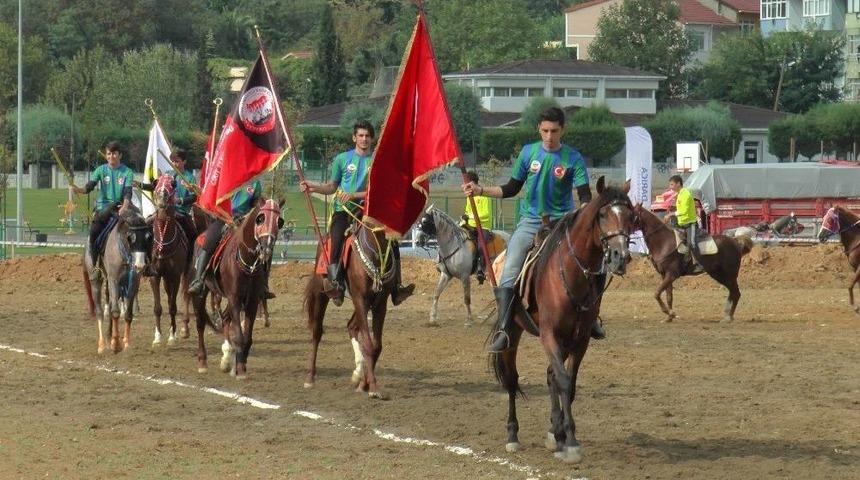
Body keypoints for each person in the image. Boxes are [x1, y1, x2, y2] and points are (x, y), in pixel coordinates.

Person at [462, 107, 599, 353]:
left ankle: (593, 318)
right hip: (531, 222)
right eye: (545, 131)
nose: (549, 136)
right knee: (511, 265)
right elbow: (511, 188)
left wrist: (586, 215)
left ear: (563, 130)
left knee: (595, 262)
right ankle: (504, 328)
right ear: (539, 129)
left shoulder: (573, 158)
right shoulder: (528, 153)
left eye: (554, 131)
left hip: (564, 222)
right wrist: (479, 190)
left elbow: (585, 196)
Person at [300, 120, 414, 307]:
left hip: (368, 212)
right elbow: (331, 187)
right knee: (336, 240)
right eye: (360, 135)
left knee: (391, 240)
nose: (364, 139)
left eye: (367, 136)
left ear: (372, 139)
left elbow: (378, 191)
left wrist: (353, 195)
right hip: (342, 212)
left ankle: (397, 288)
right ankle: (336, 283)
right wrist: (312, 187)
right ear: (354, 138)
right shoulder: (341, 159)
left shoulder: (377, 162)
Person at [187, 179, 275, 299]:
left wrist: (258, 206)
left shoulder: (255, 182)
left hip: (247, 221)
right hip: (224, 219)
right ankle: (198, 280)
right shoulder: (227, 175)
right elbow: (213, 196)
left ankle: (263, 285)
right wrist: (200, 191)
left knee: (266, 244)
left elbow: (255, 201)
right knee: (209, 241)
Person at [72, 141, 134, 267]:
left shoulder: (127, 172)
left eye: (114, 153)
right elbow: (89, 187)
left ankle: (144, 262)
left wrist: (125, 206)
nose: (112, 156)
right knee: (94, 231)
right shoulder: (100, 170)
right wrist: (78, 190)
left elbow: (128, 192)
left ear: (120, 155)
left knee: (139, 229)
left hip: (122, 207)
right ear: (106, 155)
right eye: (109, 154)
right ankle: (92, 260)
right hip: (103, 208)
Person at [136, 149, 198, 251]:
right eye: (172, 161)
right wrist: (140, 185)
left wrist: (179, 201)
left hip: (181, 212)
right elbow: (154, 187)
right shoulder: (167, 175)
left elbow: (194, 197)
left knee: (193, 234)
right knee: (144, 226)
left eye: (177, 161)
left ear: (184, 161)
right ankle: (145, 256)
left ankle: (191, 258)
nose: (174, 164)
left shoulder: (190, 178)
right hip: (164, 211)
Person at [459, 170, 493, 284]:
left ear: (472, 182)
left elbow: (486, 214)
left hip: (483, 226)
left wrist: (472, 216)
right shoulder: (469, 196)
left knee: (480, 247)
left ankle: (481, 269)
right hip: (471, 225)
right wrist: (464, 217)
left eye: (466, 182)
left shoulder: (484, 196)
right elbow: (467, 211)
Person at [664, 175, 702, 274]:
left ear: (678, 184)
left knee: (691, 243)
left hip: (690, 224)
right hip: (681, 225)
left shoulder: (685, 194)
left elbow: (684, 211)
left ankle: (699, 264)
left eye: (672, 184)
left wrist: (670, 215)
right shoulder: (679, 194)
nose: (670, 186)